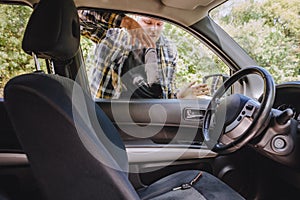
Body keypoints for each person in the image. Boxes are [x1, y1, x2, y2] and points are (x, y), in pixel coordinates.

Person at [79, 10, 209, 99]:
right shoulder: (112, 36)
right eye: (148, 22)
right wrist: (126, 22)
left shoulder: (169, 50)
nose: (154, 29)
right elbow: (80, 16)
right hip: (107, 118)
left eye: (159, 24)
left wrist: (179, 97)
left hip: (149, 121)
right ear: (136, 18)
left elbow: (164, 96)